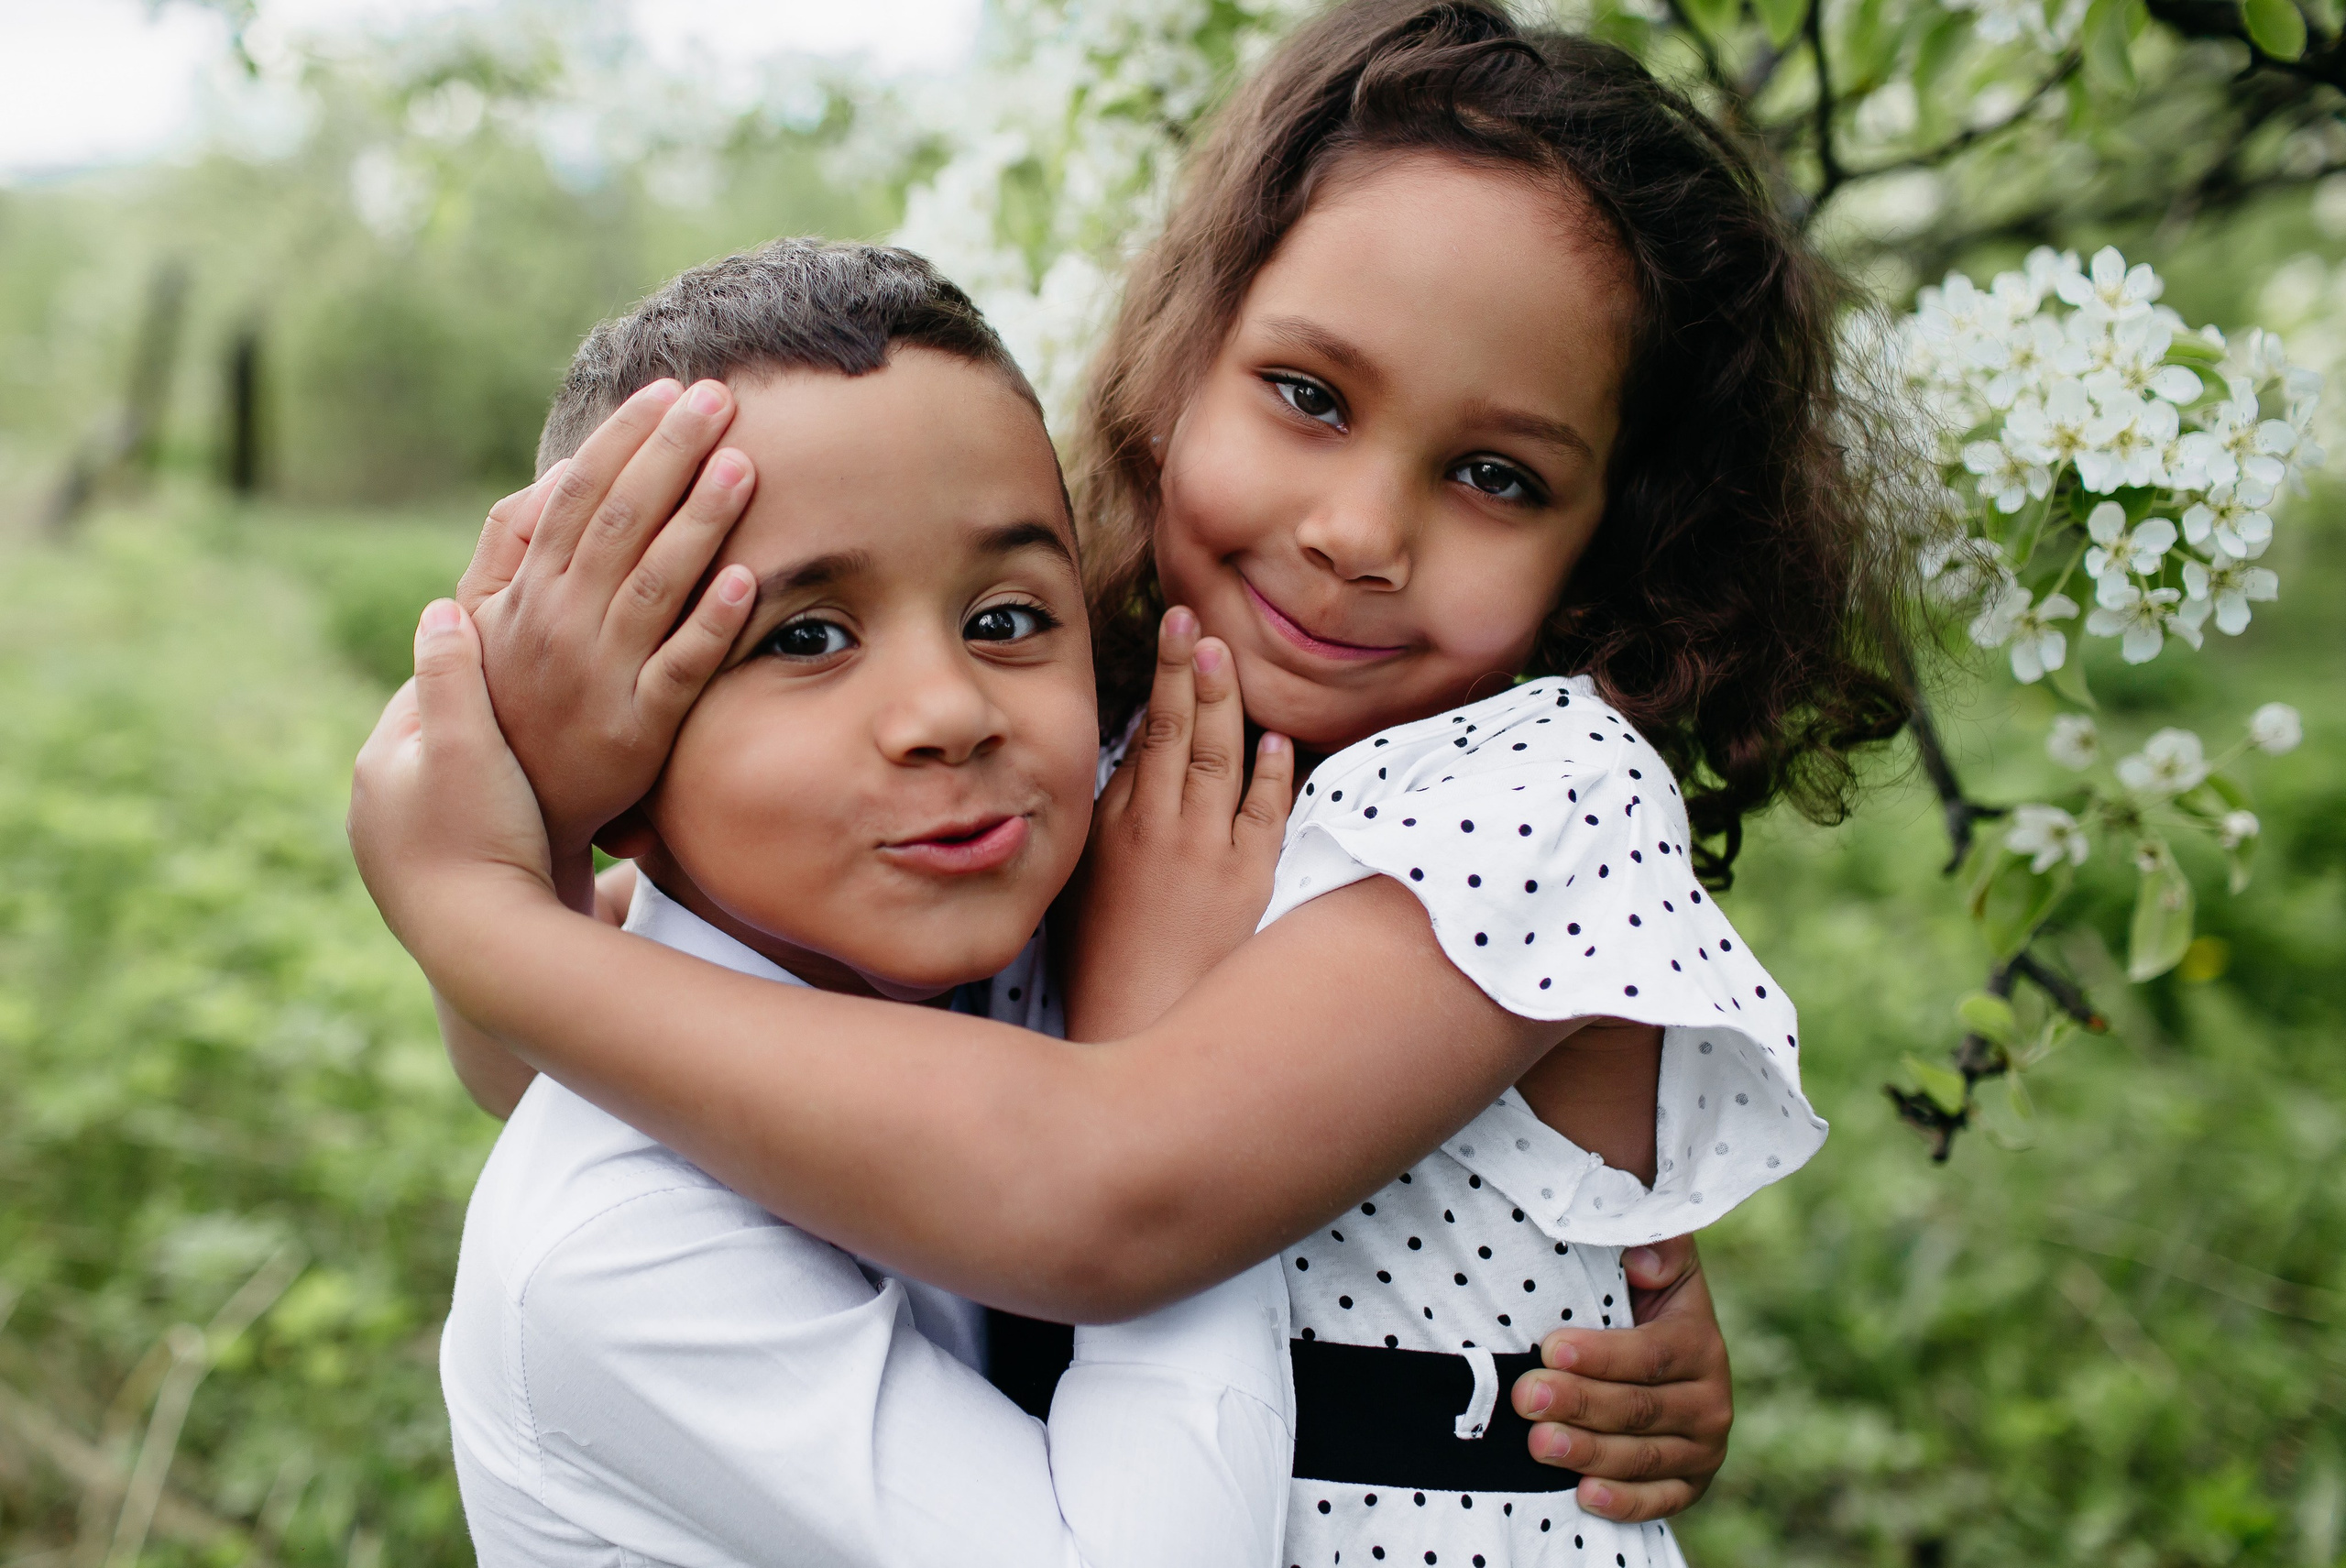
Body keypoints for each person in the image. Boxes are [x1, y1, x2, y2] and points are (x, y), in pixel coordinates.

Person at [351, 4, 1913, 1563]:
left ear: (1614, 541)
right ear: (1178, 366)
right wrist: (547, 828)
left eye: (1499, 477)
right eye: (1309, 395)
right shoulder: (1073, 738)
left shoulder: (1532, 796)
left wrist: (479, 914)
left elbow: (1108, 1194)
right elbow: (602, 1047)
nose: (1359, 531)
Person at [417, 239, 1301, 1567]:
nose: (949, 713)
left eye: (1006, 619)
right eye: (807, 638)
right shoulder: (620, 1252)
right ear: (606, 763)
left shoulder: (1009, 955)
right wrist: (1163, 1074)